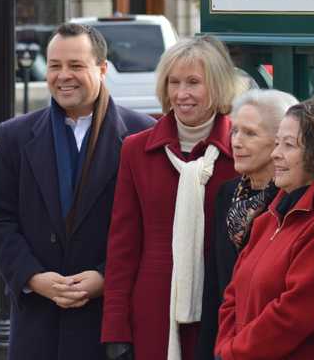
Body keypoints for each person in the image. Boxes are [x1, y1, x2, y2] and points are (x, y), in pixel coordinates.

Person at [0, 23, 154, 360]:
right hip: (37, 322)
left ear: (102, 70)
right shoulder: (15, 136)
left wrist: (105, 277)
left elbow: (153, 227)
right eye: (55, 66)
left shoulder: (142, 134)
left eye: (76, 66)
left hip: (110, 322)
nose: (63, 76)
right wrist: (33, 277)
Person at [101, 36, 242, 360]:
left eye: (194, 82)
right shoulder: (137, 150)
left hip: (223, 309)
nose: (181, 94)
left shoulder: (242, 149)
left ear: (218, 85)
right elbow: (122, 246)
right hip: (153, 313)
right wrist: (115, 329)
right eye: (173, 82)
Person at [215, 95, 314, 360]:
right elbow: (233, 293)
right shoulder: (272, 214)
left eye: (289, 145)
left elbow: (295, 314)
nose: (276, 154)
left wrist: (233, 351)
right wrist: (226, 347)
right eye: (276, 143)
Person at [196, 89, 298, 360]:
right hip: (225, 341)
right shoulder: (227, 193)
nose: (237, 142)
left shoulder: (289, 201)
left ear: (279, 142)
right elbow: (215, 283)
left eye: (250, 133)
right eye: (235, 131)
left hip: (268, 344)